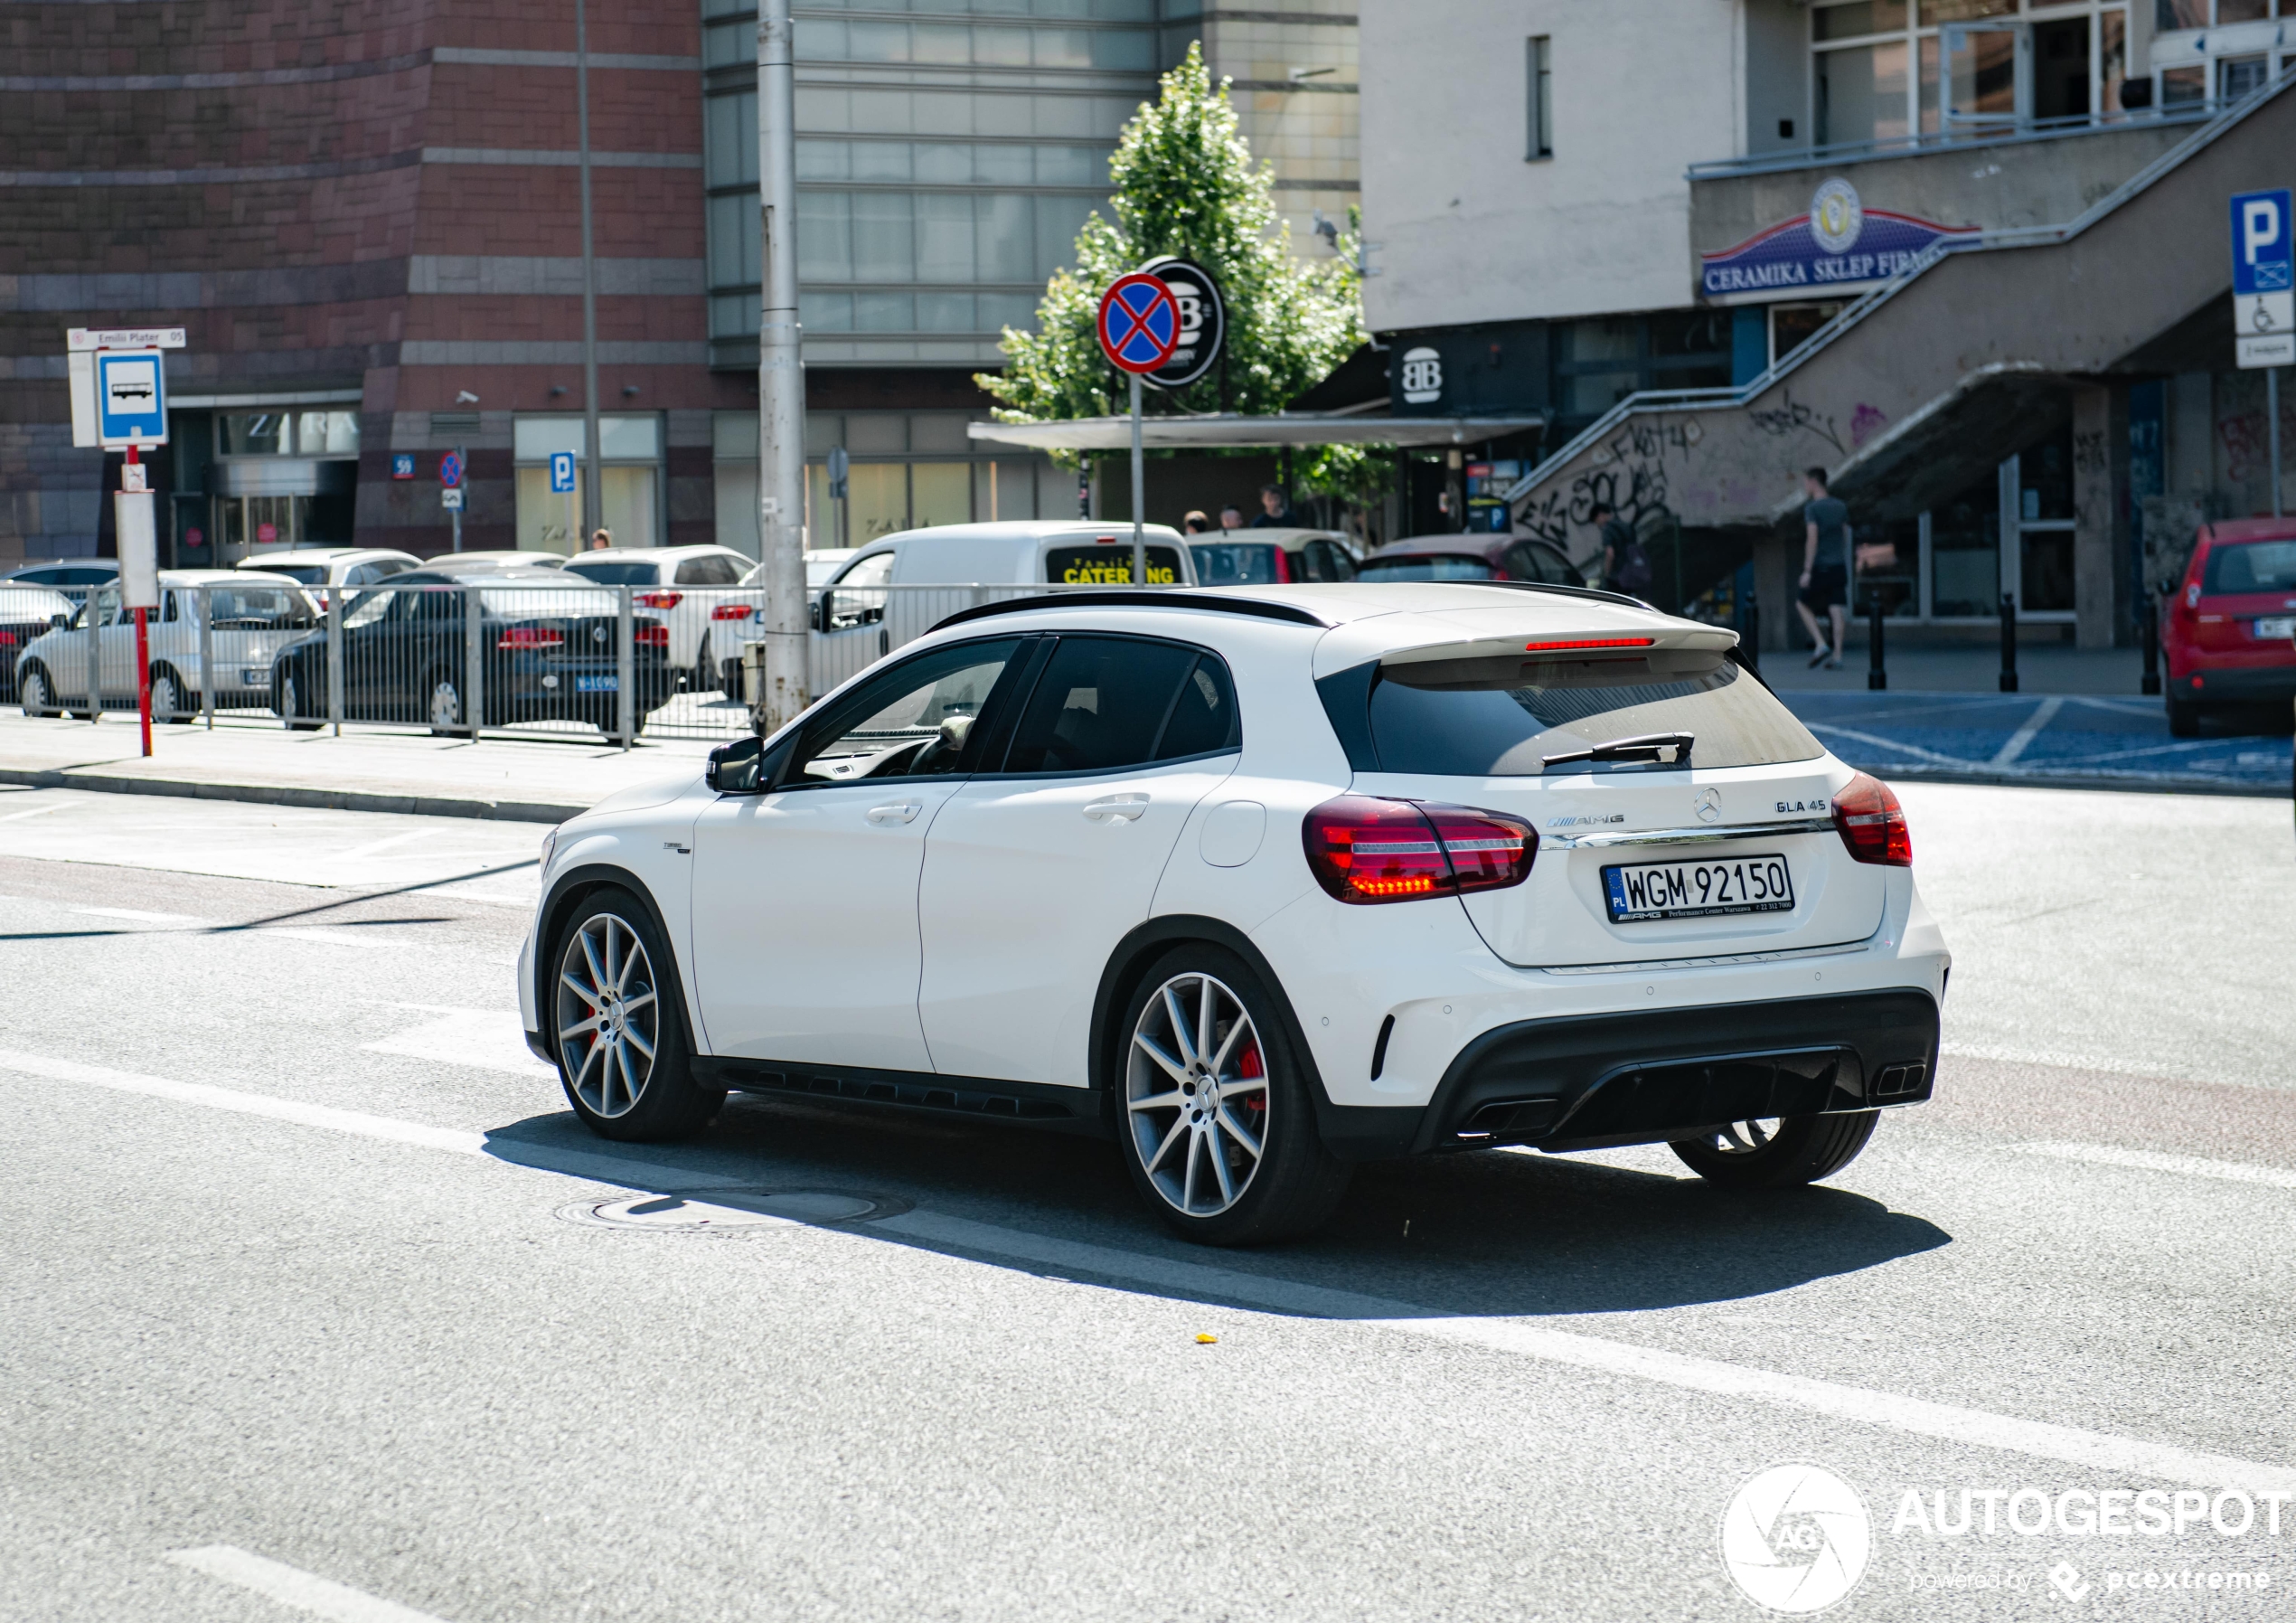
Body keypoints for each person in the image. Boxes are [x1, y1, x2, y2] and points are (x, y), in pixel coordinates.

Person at [1796, 467, 1850, 668]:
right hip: (1838, 565)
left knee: (1802, 603)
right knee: (1836, 609)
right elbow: (1844, 534)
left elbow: (1812, 538)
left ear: (1813, 481)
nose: (1805, 486)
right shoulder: (1840, 506)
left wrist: (1808, 570)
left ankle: (1820, 643)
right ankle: (1838, 655)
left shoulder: (1813, 508)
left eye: (1806, 482)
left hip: (1821, 566)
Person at [1594, 502, 1651, 597]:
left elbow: (1610, 553)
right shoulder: (1624, 525)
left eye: (1596, 521)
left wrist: (1607, 573)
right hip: (1635, 568)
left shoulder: (1607, 529)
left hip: (1619, 575)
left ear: (1600, 515)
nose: (1598, 525)